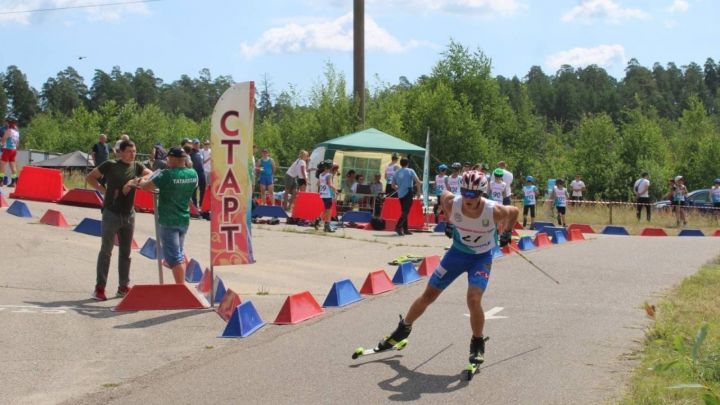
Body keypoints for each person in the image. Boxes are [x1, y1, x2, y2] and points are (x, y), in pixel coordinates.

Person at [375, 170, 518, 367]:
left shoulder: (494, 210)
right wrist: (449, 219)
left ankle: (477, 342)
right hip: (456, 255)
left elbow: (515, 212)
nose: (468, 198)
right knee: (428, 296)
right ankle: (403, 329)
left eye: (473, 194)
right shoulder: (454, 203)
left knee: (473, 299)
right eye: (465, 192)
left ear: (482, 193)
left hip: (481, 258)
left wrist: (507, 232)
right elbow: (443, 195)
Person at [86, 140, 152, 301]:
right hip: (111, 212)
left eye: (134, 151)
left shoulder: (136, 166)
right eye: (129, 151)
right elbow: (90, 177)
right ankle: (99, 288)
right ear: (120, 152)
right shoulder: (110, 164)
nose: (132, 154)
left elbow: (151, 173)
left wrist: (136, 181)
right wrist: (103, 190)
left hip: (129, 214)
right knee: (106, 251)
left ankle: (123, 286)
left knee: (126, 253)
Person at [138, 147, 199, 283]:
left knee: (174, 258)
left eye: (168, 158)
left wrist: (140, 182)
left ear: (174, 159)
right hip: (183, 218)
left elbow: (147, 187)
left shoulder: (167, 174)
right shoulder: (193, 173)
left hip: (168, 219)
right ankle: (181, 284)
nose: (167, 161)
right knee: (179, 253)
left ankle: (180, 288)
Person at [392, 158, 421, 236]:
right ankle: (398, 226)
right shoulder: (410, 171)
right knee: (406, 211)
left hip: (400, 193)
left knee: (404, 211)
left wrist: (399, 188)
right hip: (408, 192)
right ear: (407, 163)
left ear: (400, 164)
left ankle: (405, 229)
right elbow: (418, 182)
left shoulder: (396, 172)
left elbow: (393, 186)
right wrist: (418, 192)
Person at [317, 160, 337, 232]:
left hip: (322, 194)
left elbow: (318, 184)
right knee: (329, 211)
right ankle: (327, 226)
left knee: (327, 209)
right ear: (330, 167)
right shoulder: (329, 175)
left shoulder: (321, 174)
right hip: (328, 194)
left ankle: (318, 220)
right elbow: (330, 184)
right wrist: (336, 189)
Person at [0, 115, 21, 187]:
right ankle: (14, 182)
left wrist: (1, 142)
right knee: (13, 166)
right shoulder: (17, 132)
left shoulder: (8, 131)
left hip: (7, 149)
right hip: (14, 150)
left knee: (2, 165)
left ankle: (1, 181)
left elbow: (3, 140)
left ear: (9, 123)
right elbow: (17, 143)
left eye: (8, 122)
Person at [189, 139, 206, 212]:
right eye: (195, 144)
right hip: (194, 173)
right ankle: (195, 206)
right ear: (192, 144)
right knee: (194, 190)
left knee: (203, 189)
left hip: (202, 173)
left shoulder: (201, 152)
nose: (197, 145)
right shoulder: (190, 152)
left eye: (198, 144)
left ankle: (202, 205)